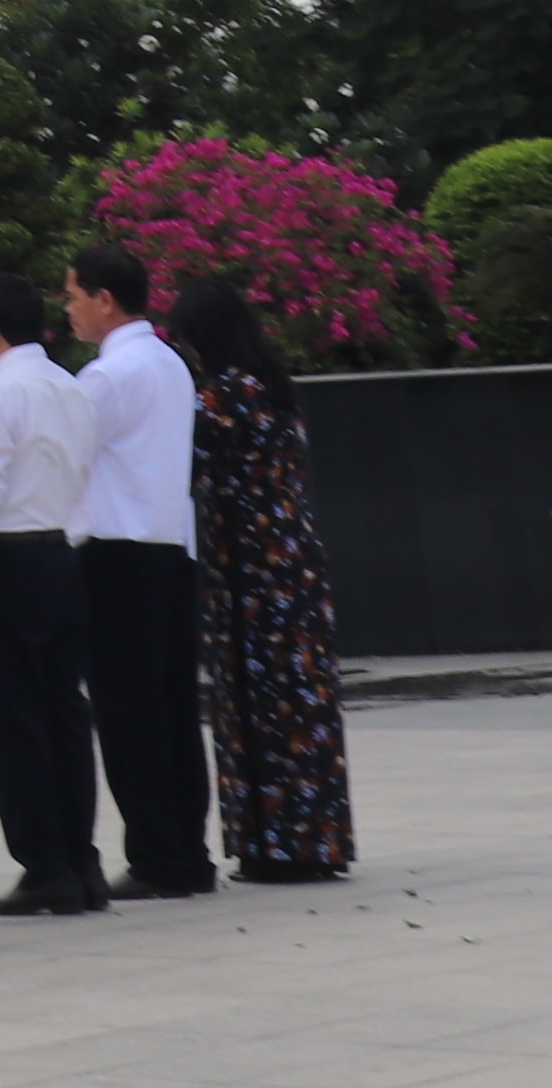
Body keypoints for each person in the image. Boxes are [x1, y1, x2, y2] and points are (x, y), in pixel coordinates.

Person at [169, 277, 357, 883]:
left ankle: (272, 844)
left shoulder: (222, 396)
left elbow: (187, 466)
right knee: (306, 705)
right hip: (294, 561)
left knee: (256, 707)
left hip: (248, 569)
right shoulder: (275, 390)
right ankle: (317, 839)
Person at [0, 275, 108, 916]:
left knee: (14, 719)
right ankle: (79, 857)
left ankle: (43, 865)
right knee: (65, 713)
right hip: (57, 552)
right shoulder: (72, 388)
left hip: (1, 561)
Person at [64, 240, 212, 898]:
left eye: (72, 297)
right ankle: (187, 849)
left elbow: (65, 454)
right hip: (169, 549)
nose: (67, 311)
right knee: (173, 706)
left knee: (129, 714)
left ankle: (157, 855)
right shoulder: (172, 363)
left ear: (104, 299)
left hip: (118, 553)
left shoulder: (107, 375)